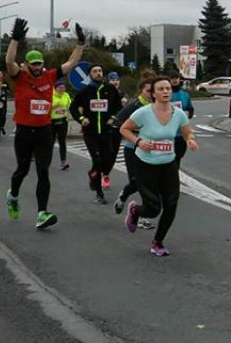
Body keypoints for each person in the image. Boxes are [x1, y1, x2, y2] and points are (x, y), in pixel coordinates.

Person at [4, 18, 85, 230]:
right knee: (22, 170)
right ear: (27, 65)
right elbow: (9, 61)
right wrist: (15, 40)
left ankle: (42, 213)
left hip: (44, 132)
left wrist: (80, 44)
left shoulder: (50, 76)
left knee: (43, 170)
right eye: (34, 64)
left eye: (40, 63)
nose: (38, 67)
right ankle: (13, 195)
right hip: (23, 131)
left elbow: (71, 63)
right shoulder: (19, 76)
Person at [120, 75, 197, 256]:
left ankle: (158, 242)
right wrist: (138, 142)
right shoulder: (144, 112)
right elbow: (124, 128)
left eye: (168, 89)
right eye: (161, 89)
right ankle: (134, 211)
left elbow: (187, 132)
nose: (166, 92)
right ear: (153, 93)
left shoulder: (177, 113)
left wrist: (191, 140)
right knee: (153, 209)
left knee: (171, 205)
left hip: (168, 164)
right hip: (145, 165)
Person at [71, 64, 124, 203]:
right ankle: (99, 193)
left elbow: (119, 108)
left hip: (107, 132)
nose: (98, 73)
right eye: (95, 71)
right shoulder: (85, 91)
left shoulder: (110, 89)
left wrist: (113, 117)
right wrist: (81, 119)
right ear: (90, 75)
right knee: (97, 160)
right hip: (91, 132)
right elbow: (73, 108)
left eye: (100, 71)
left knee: (108, 160)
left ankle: (93, 174)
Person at [112, 77, 154, 225]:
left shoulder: (156, 106)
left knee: (148, 183)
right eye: (148, 91)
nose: (151, 94)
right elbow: (118, 120)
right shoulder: (134, 105)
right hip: (132, 149)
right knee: (137, 183)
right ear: (141, 91)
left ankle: (143, 215)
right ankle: (124, 197)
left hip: (150, 150)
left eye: (153, 91)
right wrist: (134, 131)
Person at [51, 81, 72, 169]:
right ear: (55, 88)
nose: (62, 89)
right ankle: (44, 159)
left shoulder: (66, 95)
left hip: (63, 121)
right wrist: (55, 105)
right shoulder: (51, 96)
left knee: (62, 142)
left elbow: (70, 106)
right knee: (49, 142)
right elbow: (47, 107)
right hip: (52, 122)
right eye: (60, 87)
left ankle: (63, 162)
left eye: (63, 87)